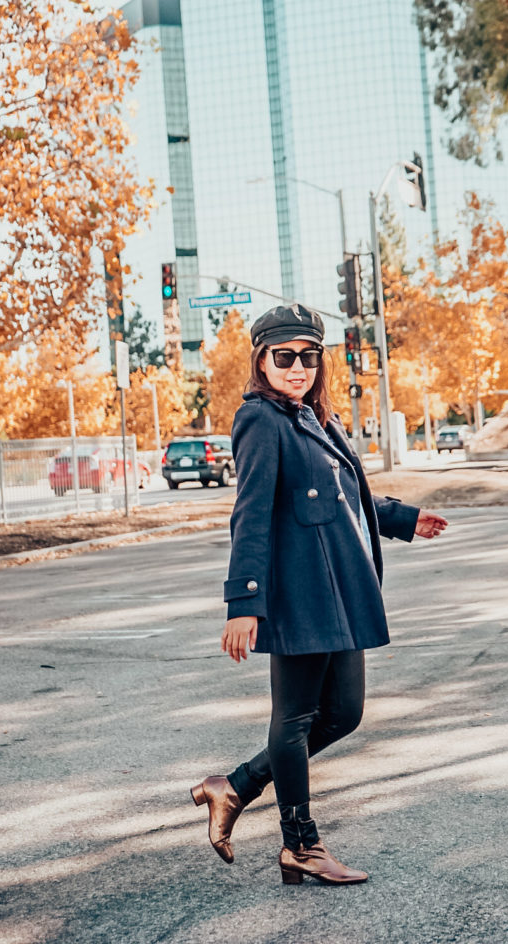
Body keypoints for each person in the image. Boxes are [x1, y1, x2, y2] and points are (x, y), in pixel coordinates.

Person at [191, 303, 447, 886]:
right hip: (299, 594)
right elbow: (250, 516)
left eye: (309, 357)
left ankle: (234, 787)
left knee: (344, 714)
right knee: (295, 718)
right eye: (285, 357)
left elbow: (344, 500)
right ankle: (299, 844)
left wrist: (403, 519)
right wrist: (244, 604)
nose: (298, 367)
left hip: (340, 593)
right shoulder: (260, 420)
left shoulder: (318, 418)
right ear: (262, 360)